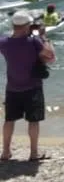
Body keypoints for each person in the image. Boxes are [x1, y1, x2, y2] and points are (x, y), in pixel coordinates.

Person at [1, 10, 57, 161]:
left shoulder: (4, 42)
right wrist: (43, 37)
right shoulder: (34, 42)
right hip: (32, 87)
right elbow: (51, 57)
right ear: (27, 26)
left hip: (12, 87)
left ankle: (5, 152)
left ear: (13, 25)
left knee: (9, 120)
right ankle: (33, 153)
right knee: (33, 121)